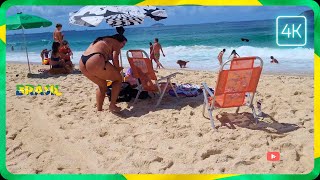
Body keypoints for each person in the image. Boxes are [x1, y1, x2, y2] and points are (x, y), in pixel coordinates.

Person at [79, 34, 127, 112]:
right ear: (119, 40)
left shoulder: (102, 40)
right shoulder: (116, 43)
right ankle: (112, 105)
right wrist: (118, 69)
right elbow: (115, 58)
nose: (123, 46)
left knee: (102, 85)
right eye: (123, 44)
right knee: (118, 79)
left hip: (82, 62)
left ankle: (99, 109)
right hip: (95, 60)